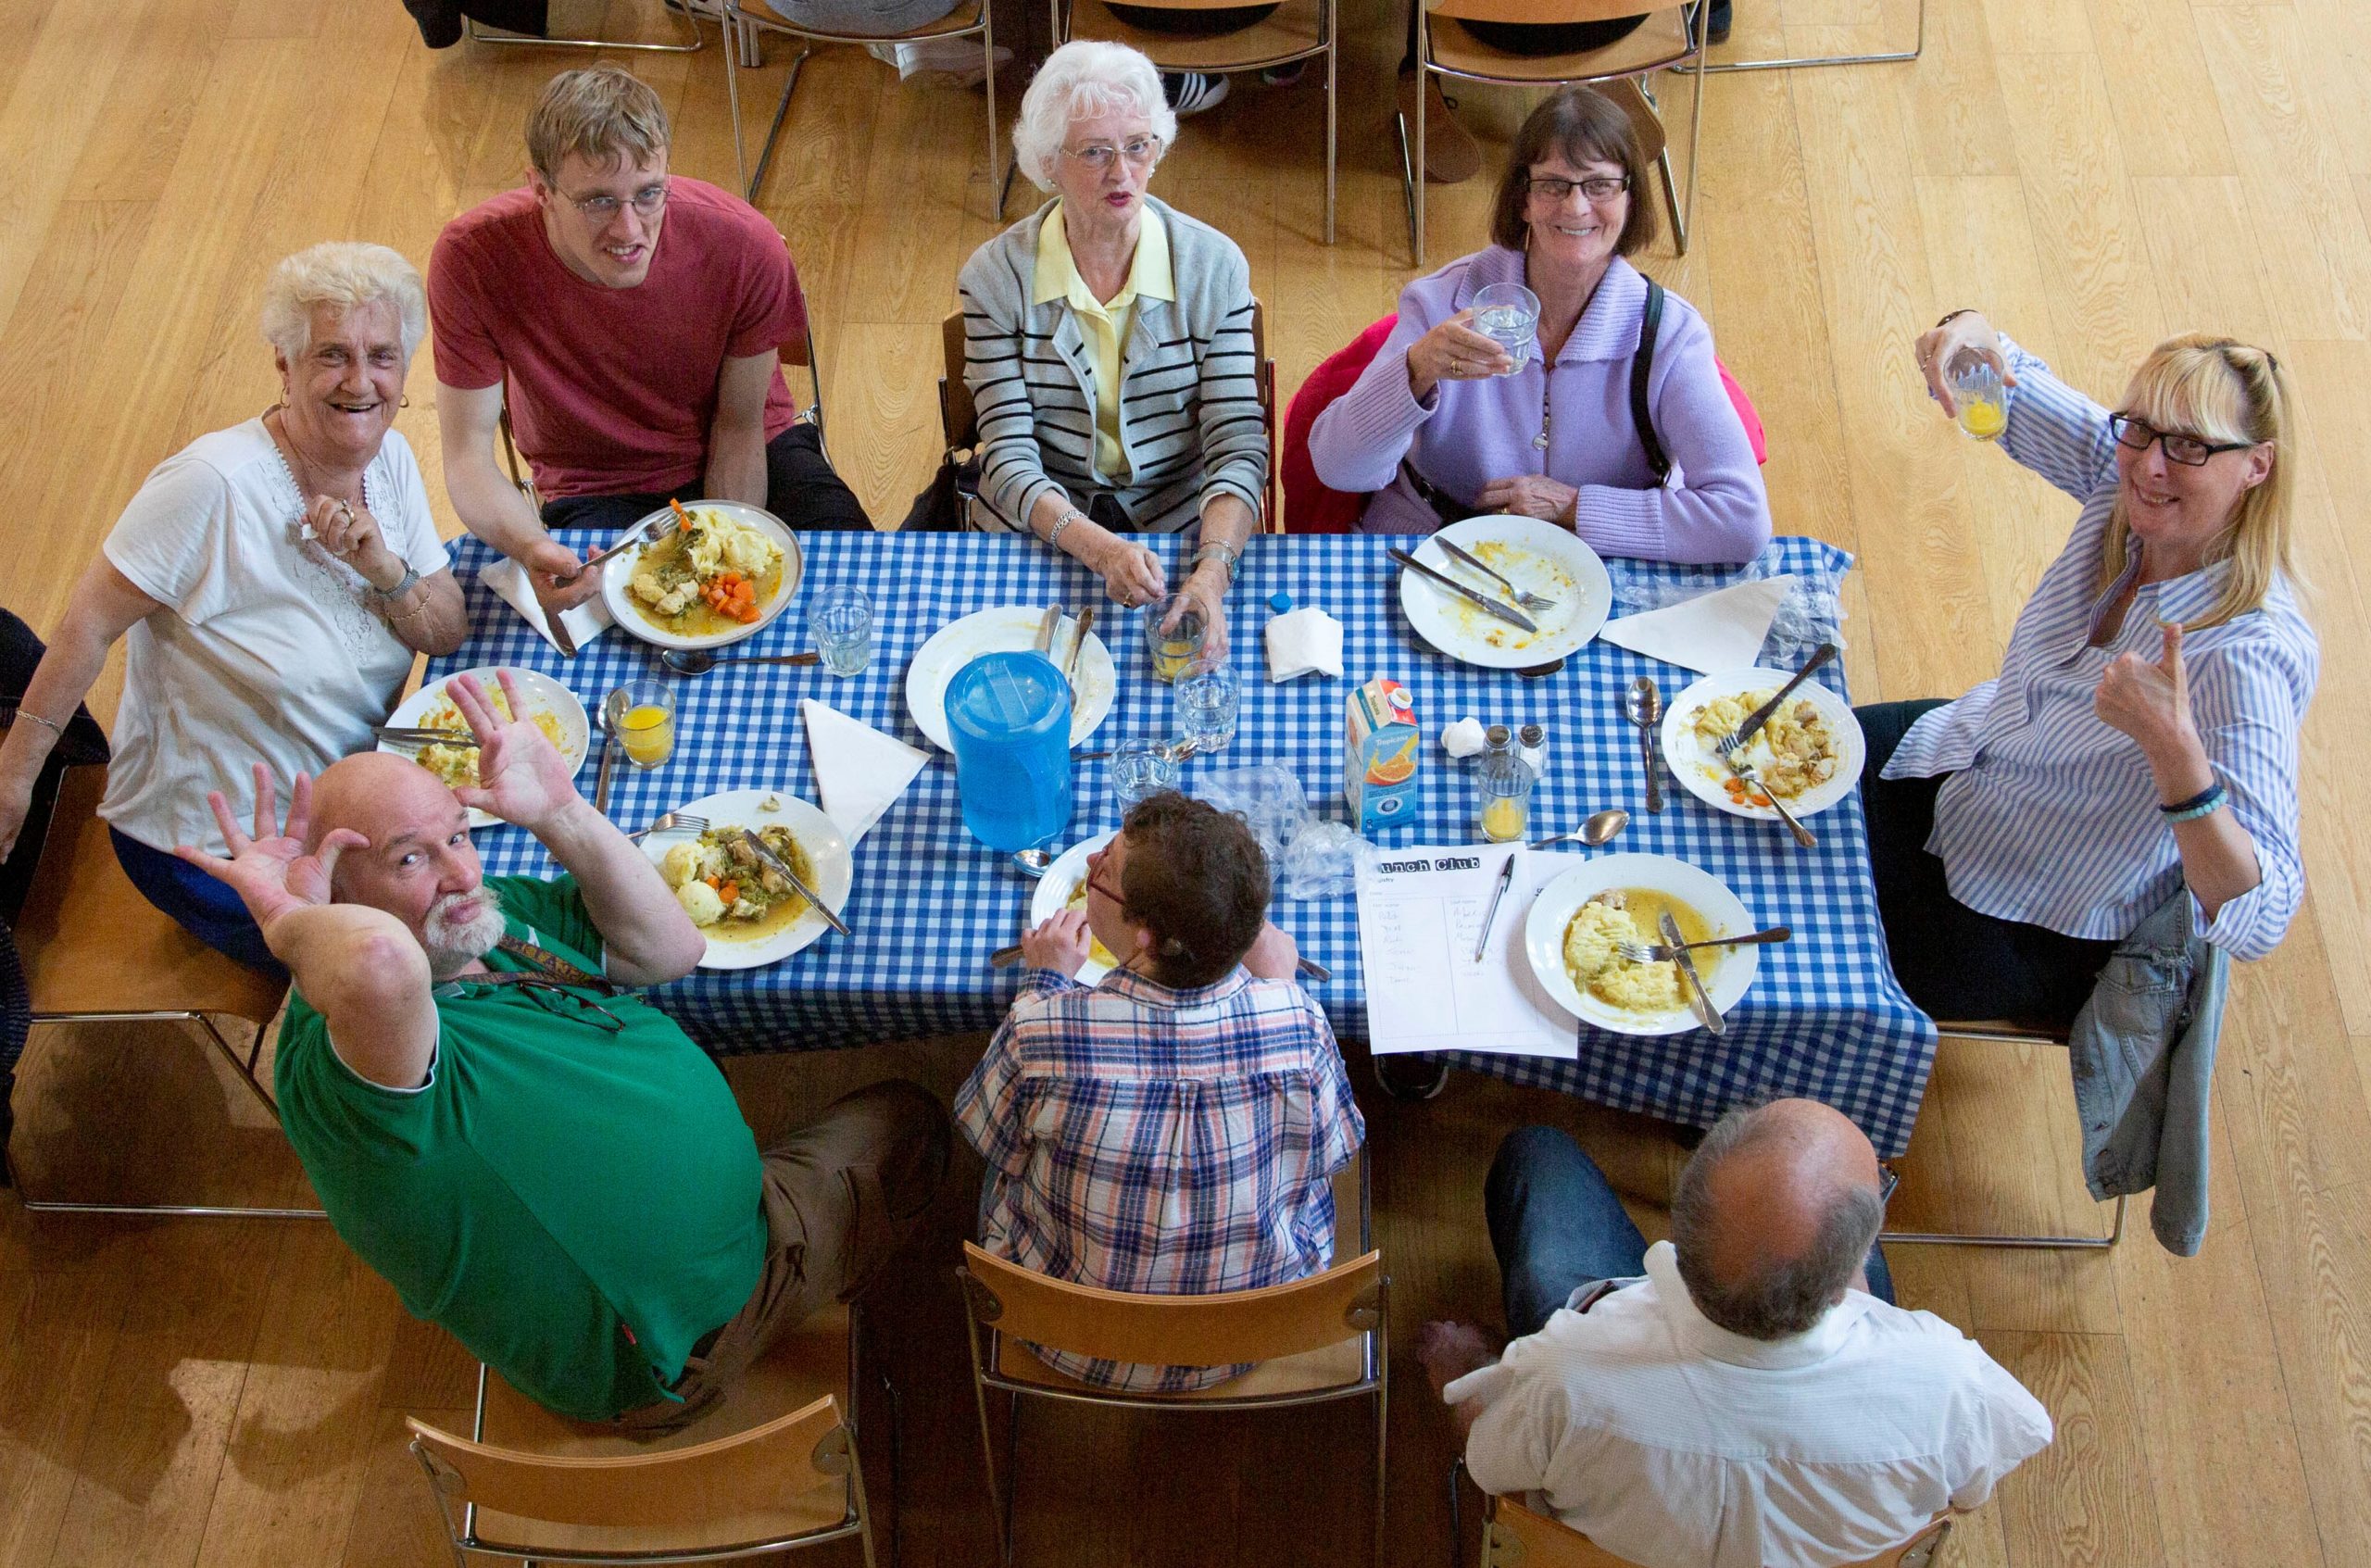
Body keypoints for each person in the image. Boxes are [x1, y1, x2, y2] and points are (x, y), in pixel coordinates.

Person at [177, 671, 947, 1431]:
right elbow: (382, 970)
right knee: (909, 1121)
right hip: (686, 1343)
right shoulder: (345, 1071)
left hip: (706, 1246)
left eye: (457, 833)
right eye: (410, 858)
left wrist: (563, 811)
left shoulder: (477, 925)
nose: (460, 873)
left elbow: (669, 949)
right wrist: (287, 927)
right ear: (337, 901)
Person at [0, 243, 465, 973]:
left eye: (383, 356)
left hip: (351, 810)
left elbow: (446, 628)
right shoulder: (211, 485)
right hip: (223, 844)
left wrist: (384, 568)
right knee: (423, 964)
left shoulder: (391, 459)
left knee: (484, 887)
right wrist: (13, 778)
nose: (360, 381)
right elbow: (86, 626)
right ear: (283, 363)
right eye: (331, 354)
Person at [1863, 317, 2316, 1024]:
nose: (2150, 465)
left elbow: (2264, 913)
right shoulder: (2129, 476)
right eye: (2140, 427)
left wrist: (2176, 751)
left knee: (1790, 914)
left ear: (2257, 466)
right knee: (1752, 763)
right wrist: (1959, 338)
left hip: (2020, 916)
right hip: (1966, 755)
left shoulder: (2247, 653)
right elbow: (2001, 378)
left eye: (2190, 445)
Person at [1422, 1103, 2052, 1568]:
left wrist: (1470, 1366)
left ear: (1684, 1220)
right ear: (1839, 1288)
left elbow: (1489, 1456)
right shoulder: (1946, 1380)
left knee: (1537, 1151)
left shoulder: (1566, 1373)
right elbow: (1970, 1490)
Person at [955, 791, 1362, 1392]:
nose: (1091, 859)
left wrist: (1042, 981)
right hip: (1255, 1331)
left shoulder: (1039, 1027)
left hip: (1067, 1332)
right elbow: (1337, 1151)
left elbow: (985, 1134)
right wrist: (1281, 985)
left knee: (1008, 1155)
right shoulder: (1300, 1026)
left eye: (1104, 869)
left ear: (1144, 937)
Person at [430, 65, 868, 617]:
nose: (629, 230)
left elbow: (738, 425)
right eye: (598, 202)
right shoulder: (472, 259)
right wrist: (532, 547)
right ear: (540, 189)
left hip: (751, 448)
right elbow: (468, 457)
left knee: (861, 577)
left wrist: (715, 556)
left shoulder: (743, 244)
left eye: (648, 194)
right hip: (594, 483)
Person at [1310, 86, 1769, 563]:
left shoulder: (1670, 334)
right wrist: (1416, 369)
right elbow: (1337, 466)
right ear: (1523, 199)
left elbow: (1742, 520)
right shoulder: (1439, 302)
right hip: (1429, 547)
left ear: (1630, 199)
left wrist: (1574, 507)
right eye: (1553, 184)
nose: (1575, 207)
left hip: (1598, 562)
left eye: (1600, 185)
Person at [958, 41, 1266, 659]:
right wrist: (1101, 549)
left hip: (1182, 527)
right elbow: (1010, 459)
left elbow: (1237, 444)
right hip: (1042, 526)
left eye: (1138, 145)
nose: (1122, 173)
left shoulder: (1214, 267)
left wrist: (1210, 573)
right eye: (1095, 152)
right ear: (1047, 163)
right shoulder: (995, 277)